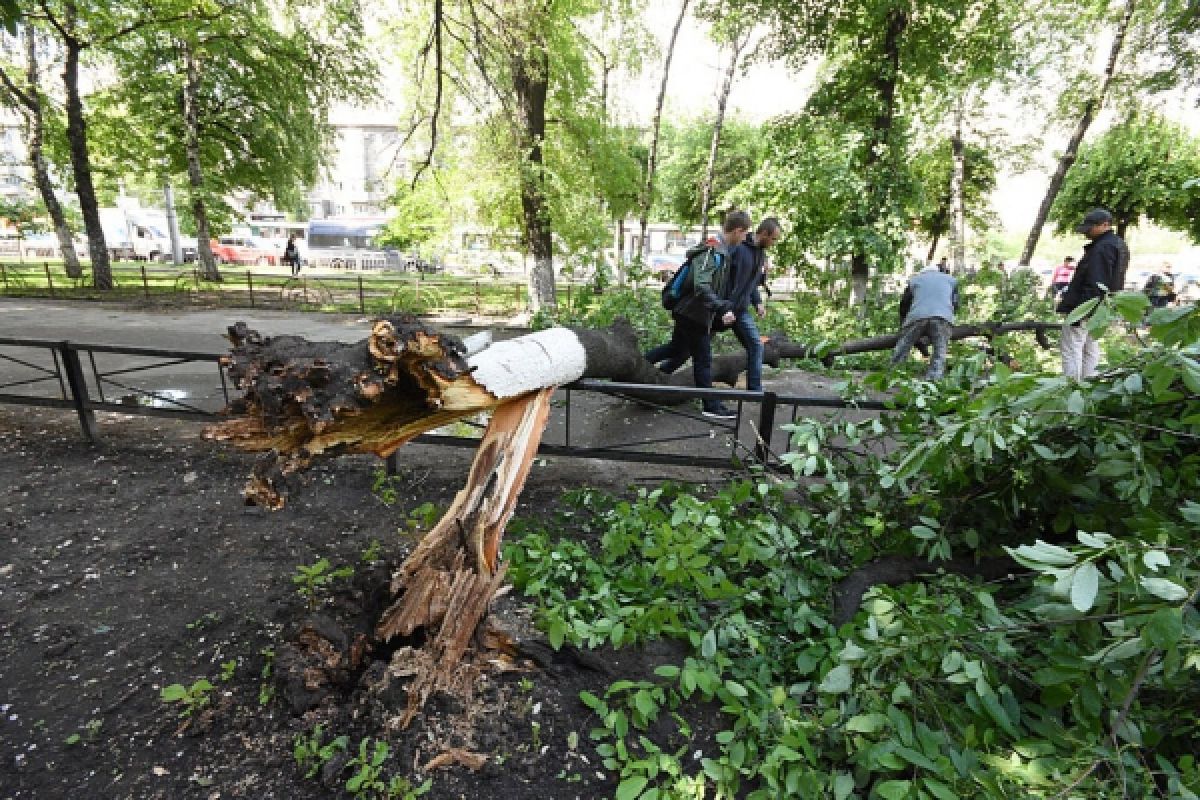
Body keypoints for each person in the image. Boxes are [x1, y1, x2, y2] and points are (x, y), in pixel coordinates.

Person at [645, 211, 752, 419]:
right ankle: (710, 405)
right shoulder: (712, 250)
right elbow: (701, 286)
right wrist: (720, 307)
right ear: (738, 230)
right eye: (745, 233)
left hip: (692, 313)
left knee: (675, 349)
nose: (745, 238)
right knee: (703, 360)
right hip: (693, 314)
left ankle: (638, 368)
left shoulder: (720, 250)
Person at [1056, 208, 1130, 379]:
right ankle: (1089, 386)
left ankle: (1071, 388)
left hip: (1087, 306)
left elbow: (1096, 282)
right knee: (1090, 347)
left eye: (1090, 227)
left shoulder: (1102, 248)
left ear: (1105, 225)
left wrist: (1081, 311)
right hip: (1103, 307)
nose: (1086, 232)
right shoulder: (1118, 245)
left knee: (1072, 347)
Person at [725, 218, 783, 394]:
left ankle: (755, 391)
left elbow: (750, 284)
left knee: (756, 345)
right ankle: (654, 375)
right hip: (722, 309)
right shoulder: (739, 247)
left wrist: (757, 302)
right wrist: (723, 306)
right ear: (764, 234)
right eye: (773, 239)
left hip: (740, 311)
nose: (773, 243)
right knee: (684, 348)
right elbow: (731, 281)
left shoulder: (761, 254)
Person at [891, 261, 960, 380]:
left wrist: (903, 324)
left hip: (917, 316)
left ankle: (894, 373)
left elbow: (904, 304)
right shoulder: (951, 280)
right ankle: (934, 378)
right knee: (940, 349)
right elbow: (955, 303)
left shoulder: (915, 280)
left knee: (904, 345)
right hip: (942, 317)